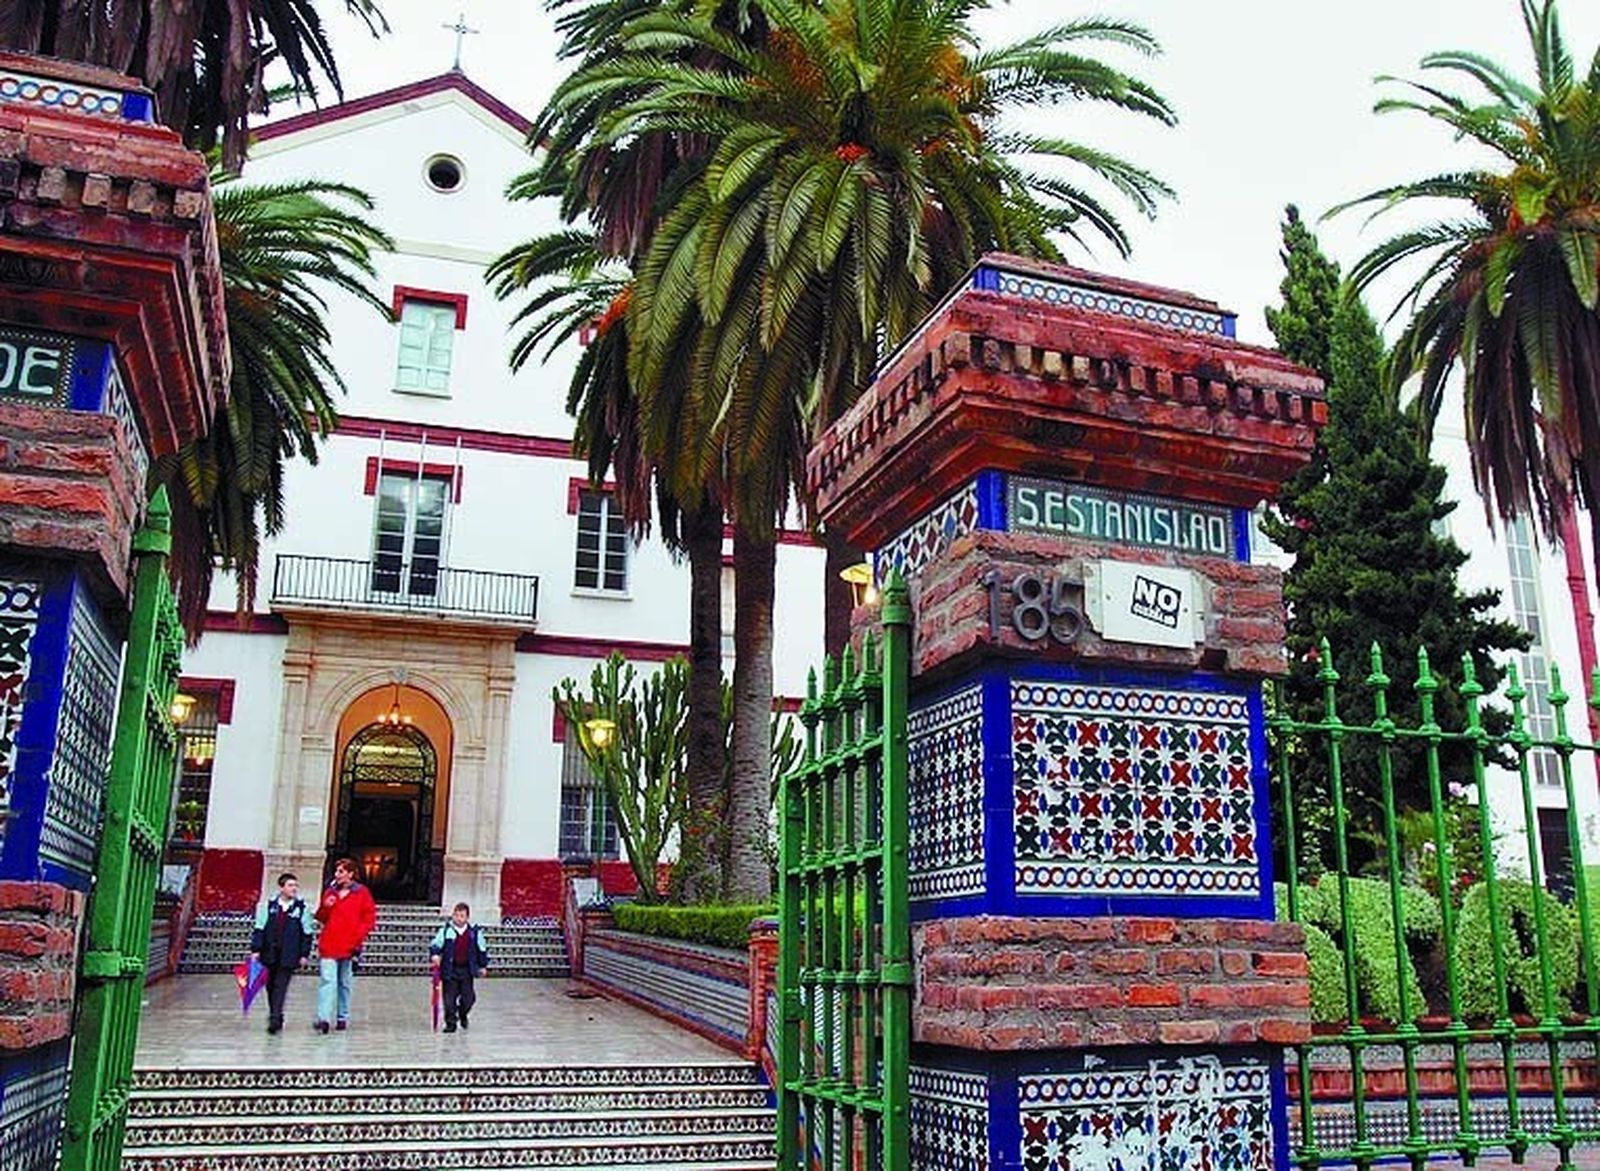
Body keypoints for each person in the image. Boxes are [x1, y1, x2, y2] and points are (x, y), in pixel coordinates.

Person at [312, 857, 377, 1034]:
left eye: (341, 871)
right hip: (330, 942)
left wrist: (358, 936)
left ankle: (342, 1016)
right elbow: (321, 917)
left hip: (350, 944)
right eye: (336, 871)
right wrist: (326, 906)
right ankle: (323, 1017)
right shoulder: (330, 892)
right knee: (328, 980)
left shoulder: (361, 893)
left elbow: (369, 918)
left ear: (351, 873)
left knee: (344, 982)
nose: (337, 875)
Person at [249, 872, 316, 1035]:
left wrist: (304, 954)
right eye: (290, 885)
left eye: (295, 886)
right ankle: (276, 1013)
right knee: (270, 985)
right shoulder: (269, 906)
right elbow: (259, 928)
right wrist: (256, 949)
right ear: (282, 887)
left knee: (281, 985)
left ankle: (275, 1017)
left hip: (289, 953)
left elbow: (307, 932)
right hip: (269, 952)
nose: (294, 889)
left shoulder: (301, 909)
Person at [429, 902, 490, 1034]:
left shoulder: (474, 932)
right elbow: (436, 944)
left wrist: (483, 965)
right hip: (450, 969)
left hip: (467, 970)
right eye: (456, 915)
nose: (458, 918)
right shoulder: (446, 930)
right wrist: (435, 955)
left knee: (469, 998)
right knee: (449, 999)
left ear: (467, 917)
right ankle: (451, 1023)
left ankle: (462, 1013)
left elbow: (482, 949)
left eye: (462, 916)